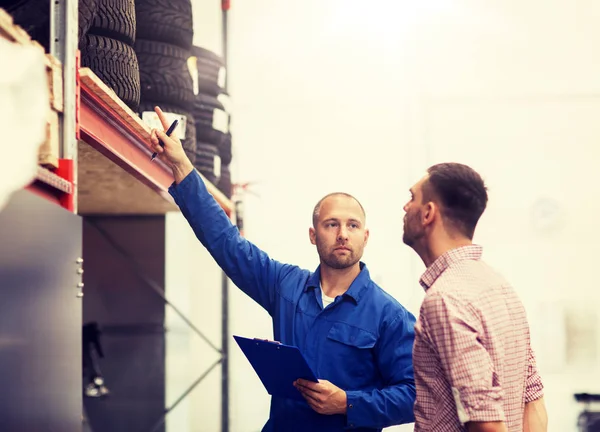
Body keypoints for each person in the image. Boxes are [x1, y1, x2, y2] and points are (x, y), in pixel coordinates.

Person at [147, 107, 416, 432]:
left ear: (366, 236)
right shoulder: (286, 286)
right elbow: (227, 243)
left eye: (353, 225)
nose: (343, 234)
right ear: (313, 235)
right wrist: (181, 164)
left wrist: (348, 402)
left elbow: (415, 394)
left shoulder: (389, 316)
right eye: (332, 224)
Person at [402, 162, 548, 432]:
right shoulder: (500, 286)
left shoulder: (444, 299)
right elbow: (533, 401)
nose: (405, 207)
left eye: (412, 198)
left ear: (428, 213)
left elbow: (488, 424)